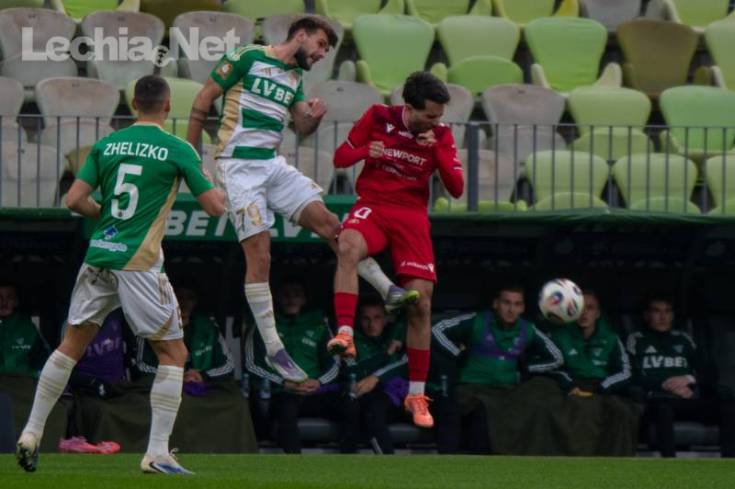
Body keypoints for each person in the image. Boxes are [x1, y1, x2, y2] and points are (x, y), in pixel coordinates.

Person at [16, 75, 226, 475]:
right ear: (167, 106)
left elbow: (74, 199)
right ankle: (157, 453)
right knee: (174, 353)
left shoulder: (107, 145)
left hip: (99, 254)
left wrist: (106, 218)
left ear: (133, 104)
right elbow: (214, 207)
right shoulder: (177, 148)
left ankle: (32, 431)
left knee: (70, 346)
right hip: (139, 262)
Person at [187, 16, 414, 384]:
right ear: (301, 35)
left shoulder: (294, 77)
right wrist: (193, 161)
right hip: (237, 166)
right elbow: (202, 99)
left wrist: (315, 118)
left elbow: (301, 127)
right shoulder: (247, 57)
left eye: (327, 49)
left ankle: (386, 289)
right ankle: (274, 347)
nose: (323, 54)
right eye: (321, 45)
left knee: (331, 225)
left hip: (272, 165)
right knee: (260, 253)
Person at [327, 71, 464, 428]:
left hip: (411, 216)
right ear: (410, 107)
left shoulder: (441, 135)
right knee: (347, 244)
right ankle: (345, 333)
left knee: (421, 304)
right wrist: (364, 151)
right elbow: (340, 158)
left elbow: (457, 188)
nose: (436, 121)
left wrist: (436, 150)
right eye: (430, 115)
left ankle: (416, 395)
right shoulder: (377, 117)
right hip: (373, 204)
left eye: (439, 115)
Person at [431, 285, 563, 453]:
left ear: (522, 308)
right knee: (455, 413)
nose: (511, 309)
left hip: (505, 393)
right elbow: (436, 330)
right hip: (469, 389)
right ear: (496, 304)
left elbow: (557, 357)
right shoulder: (477, 321)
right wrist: (457, 353)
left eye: (517, 304)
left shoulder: (528, 330)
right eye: (506, 303)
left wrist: (526, 369)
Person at [244, 277, 347, 453]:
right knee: (286, 408)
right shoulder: (262, 325)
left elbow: (335, 362)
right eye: (285, 295)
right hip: (283, 392)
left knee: (351, 406)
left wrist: (319, 382)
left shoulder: (319, 324)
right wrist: (283, 382)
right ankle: (294, 462)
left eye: (296, 295)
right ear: (276, 297)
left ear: (304, 299)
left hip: (317, 391)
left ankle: (351, 460)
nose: (291, 299)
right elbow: (252, 364)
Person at [626, 296, 735, 457]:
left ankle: (729, 464)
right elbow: (631, 375)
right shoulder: (636, 339)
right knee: (664, 408)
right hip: (657, 399)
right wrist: (663, 384)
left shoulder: (684, 339)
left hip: (688, 397)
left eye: (667, 311)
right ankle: (670, 464)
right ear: (647, 315)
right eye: (657, 311)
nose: (663, 316)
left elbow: (709, 372)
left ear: (672, 315)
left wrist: (689, 380)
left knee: (727, 405)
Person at [548, 290, 638, 456]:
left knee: (622, 412)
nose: (584, 313)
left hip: (602, 388)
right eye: (579, 308)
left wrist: (602, 387)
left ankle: (616, 464)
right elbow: (553, 368)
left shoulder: (611, 338)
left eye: (589, 308)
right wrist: (569, 385)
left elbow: (626, 372)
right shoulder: (560, 336)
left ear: (597, 313)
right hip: (571, 388)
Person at [134, 287, 235, 391]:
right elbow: (141, 366)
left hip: (203, 388)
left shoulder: (209, 328)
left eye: (190, 298)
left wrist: (202, 376)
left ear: (195, 302)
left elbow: (228, 366)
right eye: (179, 297)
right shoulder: (151, 329)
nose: (185, 303)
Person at [342, 297, 409, 454]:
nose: (371, 324)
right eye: (366, 319)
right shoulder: (350, 341)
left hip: (395, 397)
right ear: (359, 320)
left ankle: (386, 463)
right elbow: (354, 372)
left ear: (386, 319)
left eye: (377, 318)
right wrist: (386, 354)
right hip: (363, 395)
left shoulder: (396, 335)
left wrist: (377, 377)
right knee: (354, 406)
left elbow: (413, 311)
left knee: (374, 409)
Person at [0, 282, 48, 378]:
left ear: (16, 301)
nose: (3, 302)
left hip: (24, 380)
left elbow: (41, 359)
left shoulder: (29, 327)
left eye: (9, 297)